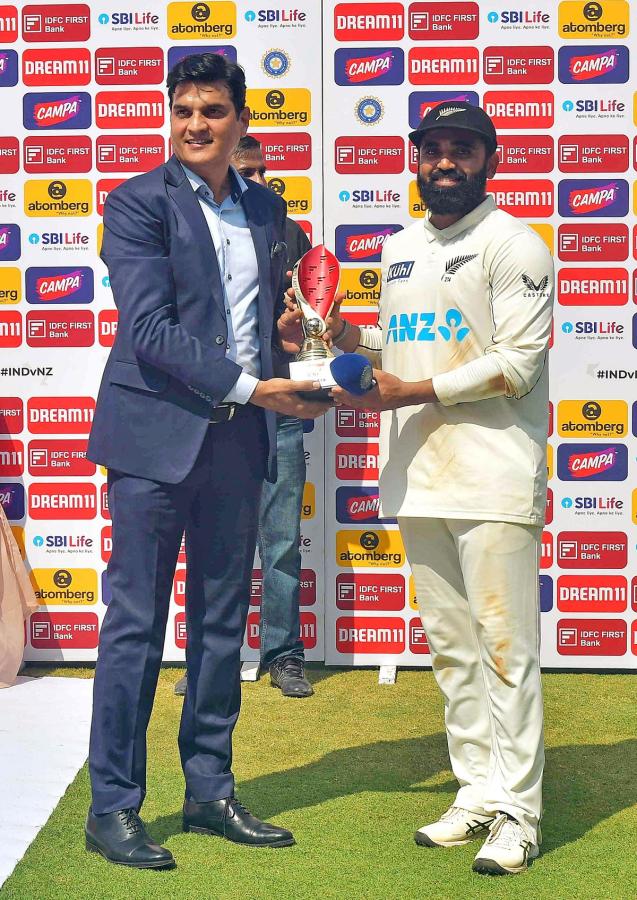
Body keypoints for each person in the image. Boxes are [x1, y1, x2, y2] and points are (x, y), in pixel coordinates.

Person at [84, 53, 328, 870]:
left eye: (213, 110)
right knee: (134, 631)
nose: (196, 123)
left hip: (237, 443)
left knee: (222, 629)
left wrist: (303, 358)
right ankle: (113, 808)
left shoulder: (266, 209)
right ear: (170, 114)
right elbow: (147, 330)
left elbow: (265, 328)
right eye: (183, 108)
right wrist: (257, 387)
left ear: (240, 120)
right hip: (154, 443)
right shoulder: (134, 202)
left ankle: (209, 791)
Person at [323, 102, 554, 876]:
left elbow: (514, 363)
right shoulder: (398, 247)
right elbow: (404, 342)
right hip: (420, 476)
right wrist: (347, 338)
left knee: (504, 654)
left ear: (490, 160)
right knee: (454, 655)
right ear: (415, 159)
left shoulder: (514, 244)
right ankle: (477, 794)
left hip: (493, 477)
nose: (445, 162)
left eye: (462, 149)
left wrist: (403, 392)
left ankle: (519, 814)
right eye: (432, 150)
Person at [175, 135, 313, 699]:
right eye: (243, 171)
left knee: (280, 540)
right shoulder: (198, 232)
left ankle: (284, 655)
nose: (253, 181)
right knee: (213, 545)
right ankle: (210, 659)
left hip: (276, 405)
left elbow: (314, 318)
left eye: (260, 171)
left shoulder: (288, 230)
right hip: (212, 408)